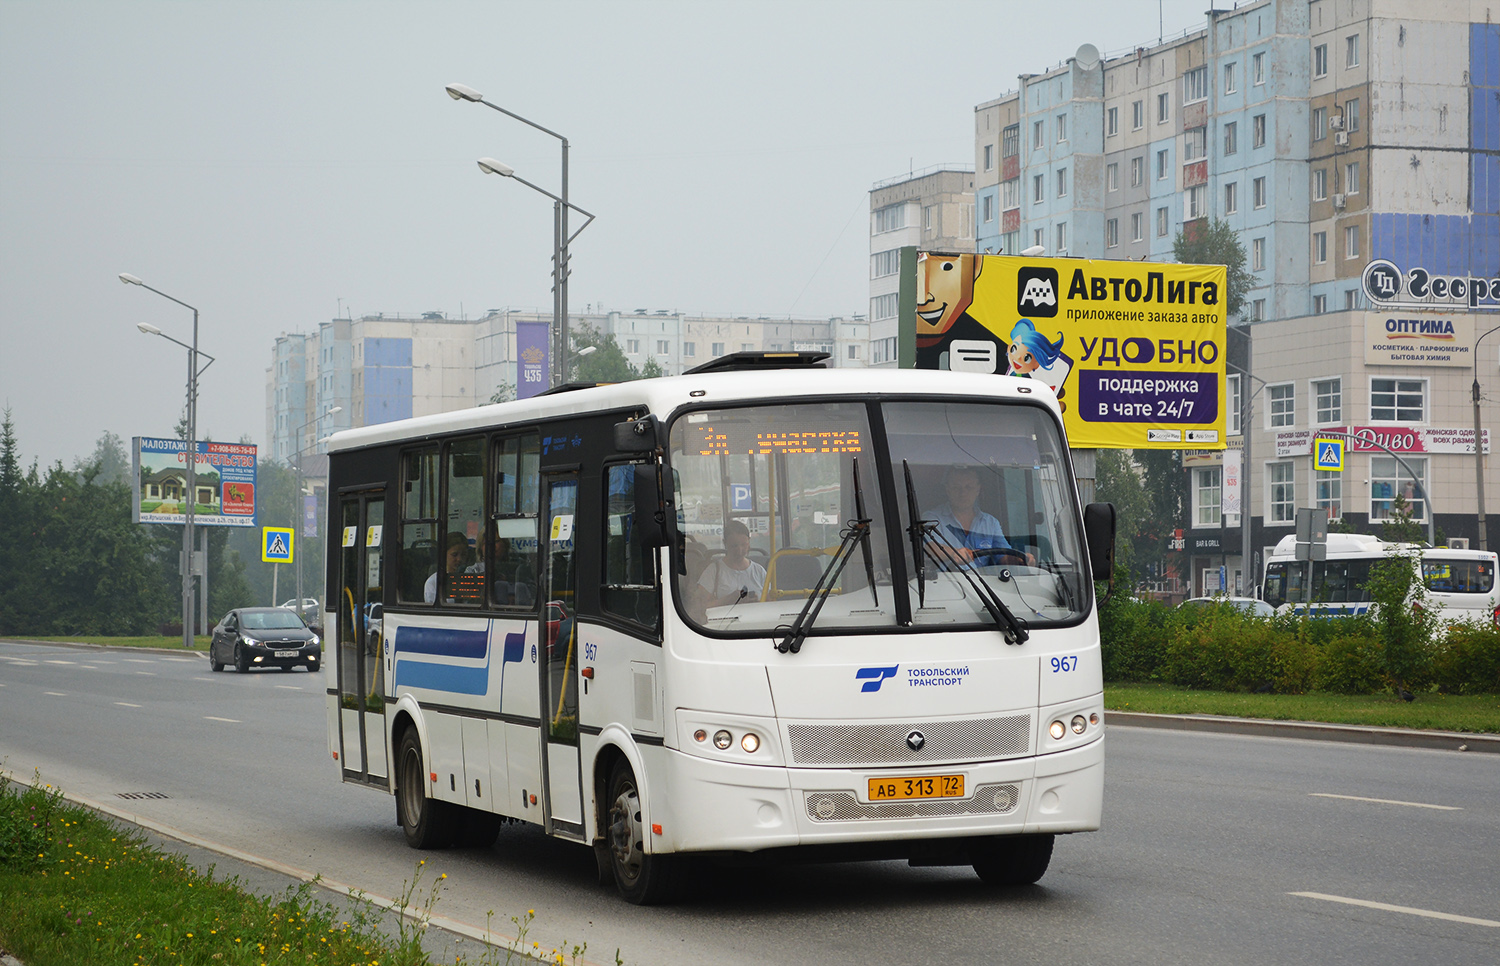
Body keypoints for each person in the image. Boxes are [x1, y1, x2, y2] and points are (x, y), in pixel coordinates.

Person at [930, 465, 1034, 567]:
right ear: (947, 490)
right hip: (945, 582)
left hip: (983, 583)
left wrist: (1020, 559)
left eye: (969, 487)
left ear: (978, 490)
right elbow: (929, 547)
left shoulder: (991, 523)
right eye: (956, 488)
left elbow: (1003, 556)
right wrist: (954, 553)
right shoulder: (933, 518)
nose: (963, 493)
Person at [696, 519, 766, 608]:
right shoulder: (714, 571)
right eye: (734, 546)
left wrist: (757, 601)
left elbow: (770, 602)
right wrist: (728, 600)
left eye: (744, 545)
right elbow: (698, 606)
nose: (739, 550)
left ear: (749, 541)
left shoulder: (759, 571)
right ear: (725, 543)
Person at [424, 532, 472, 603]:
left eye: (463, 554)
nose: (459, 559)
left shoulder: (470, 579)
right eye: (454, 555)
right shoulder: (433, 583)